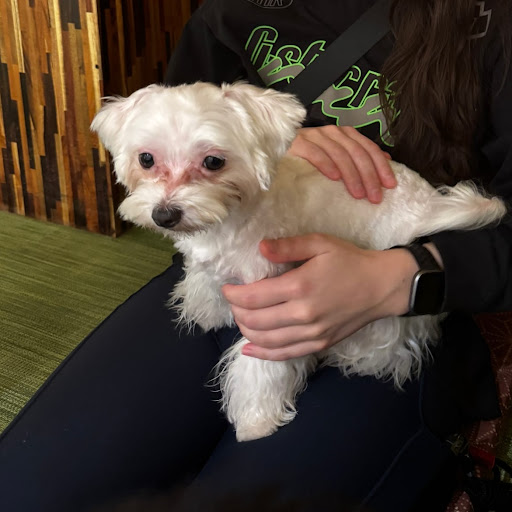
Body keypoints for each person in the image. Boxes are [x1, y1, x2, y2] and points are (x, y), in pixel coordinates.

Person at [0, 0, 511, 510]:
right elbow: (174, 118)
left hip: (411, 302)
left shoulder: (493, 23)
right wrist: (269, 150)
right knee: (27, 488)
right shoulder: (227, 12)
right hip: (229, 262)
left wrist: (401, 276)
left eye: (211, 162)